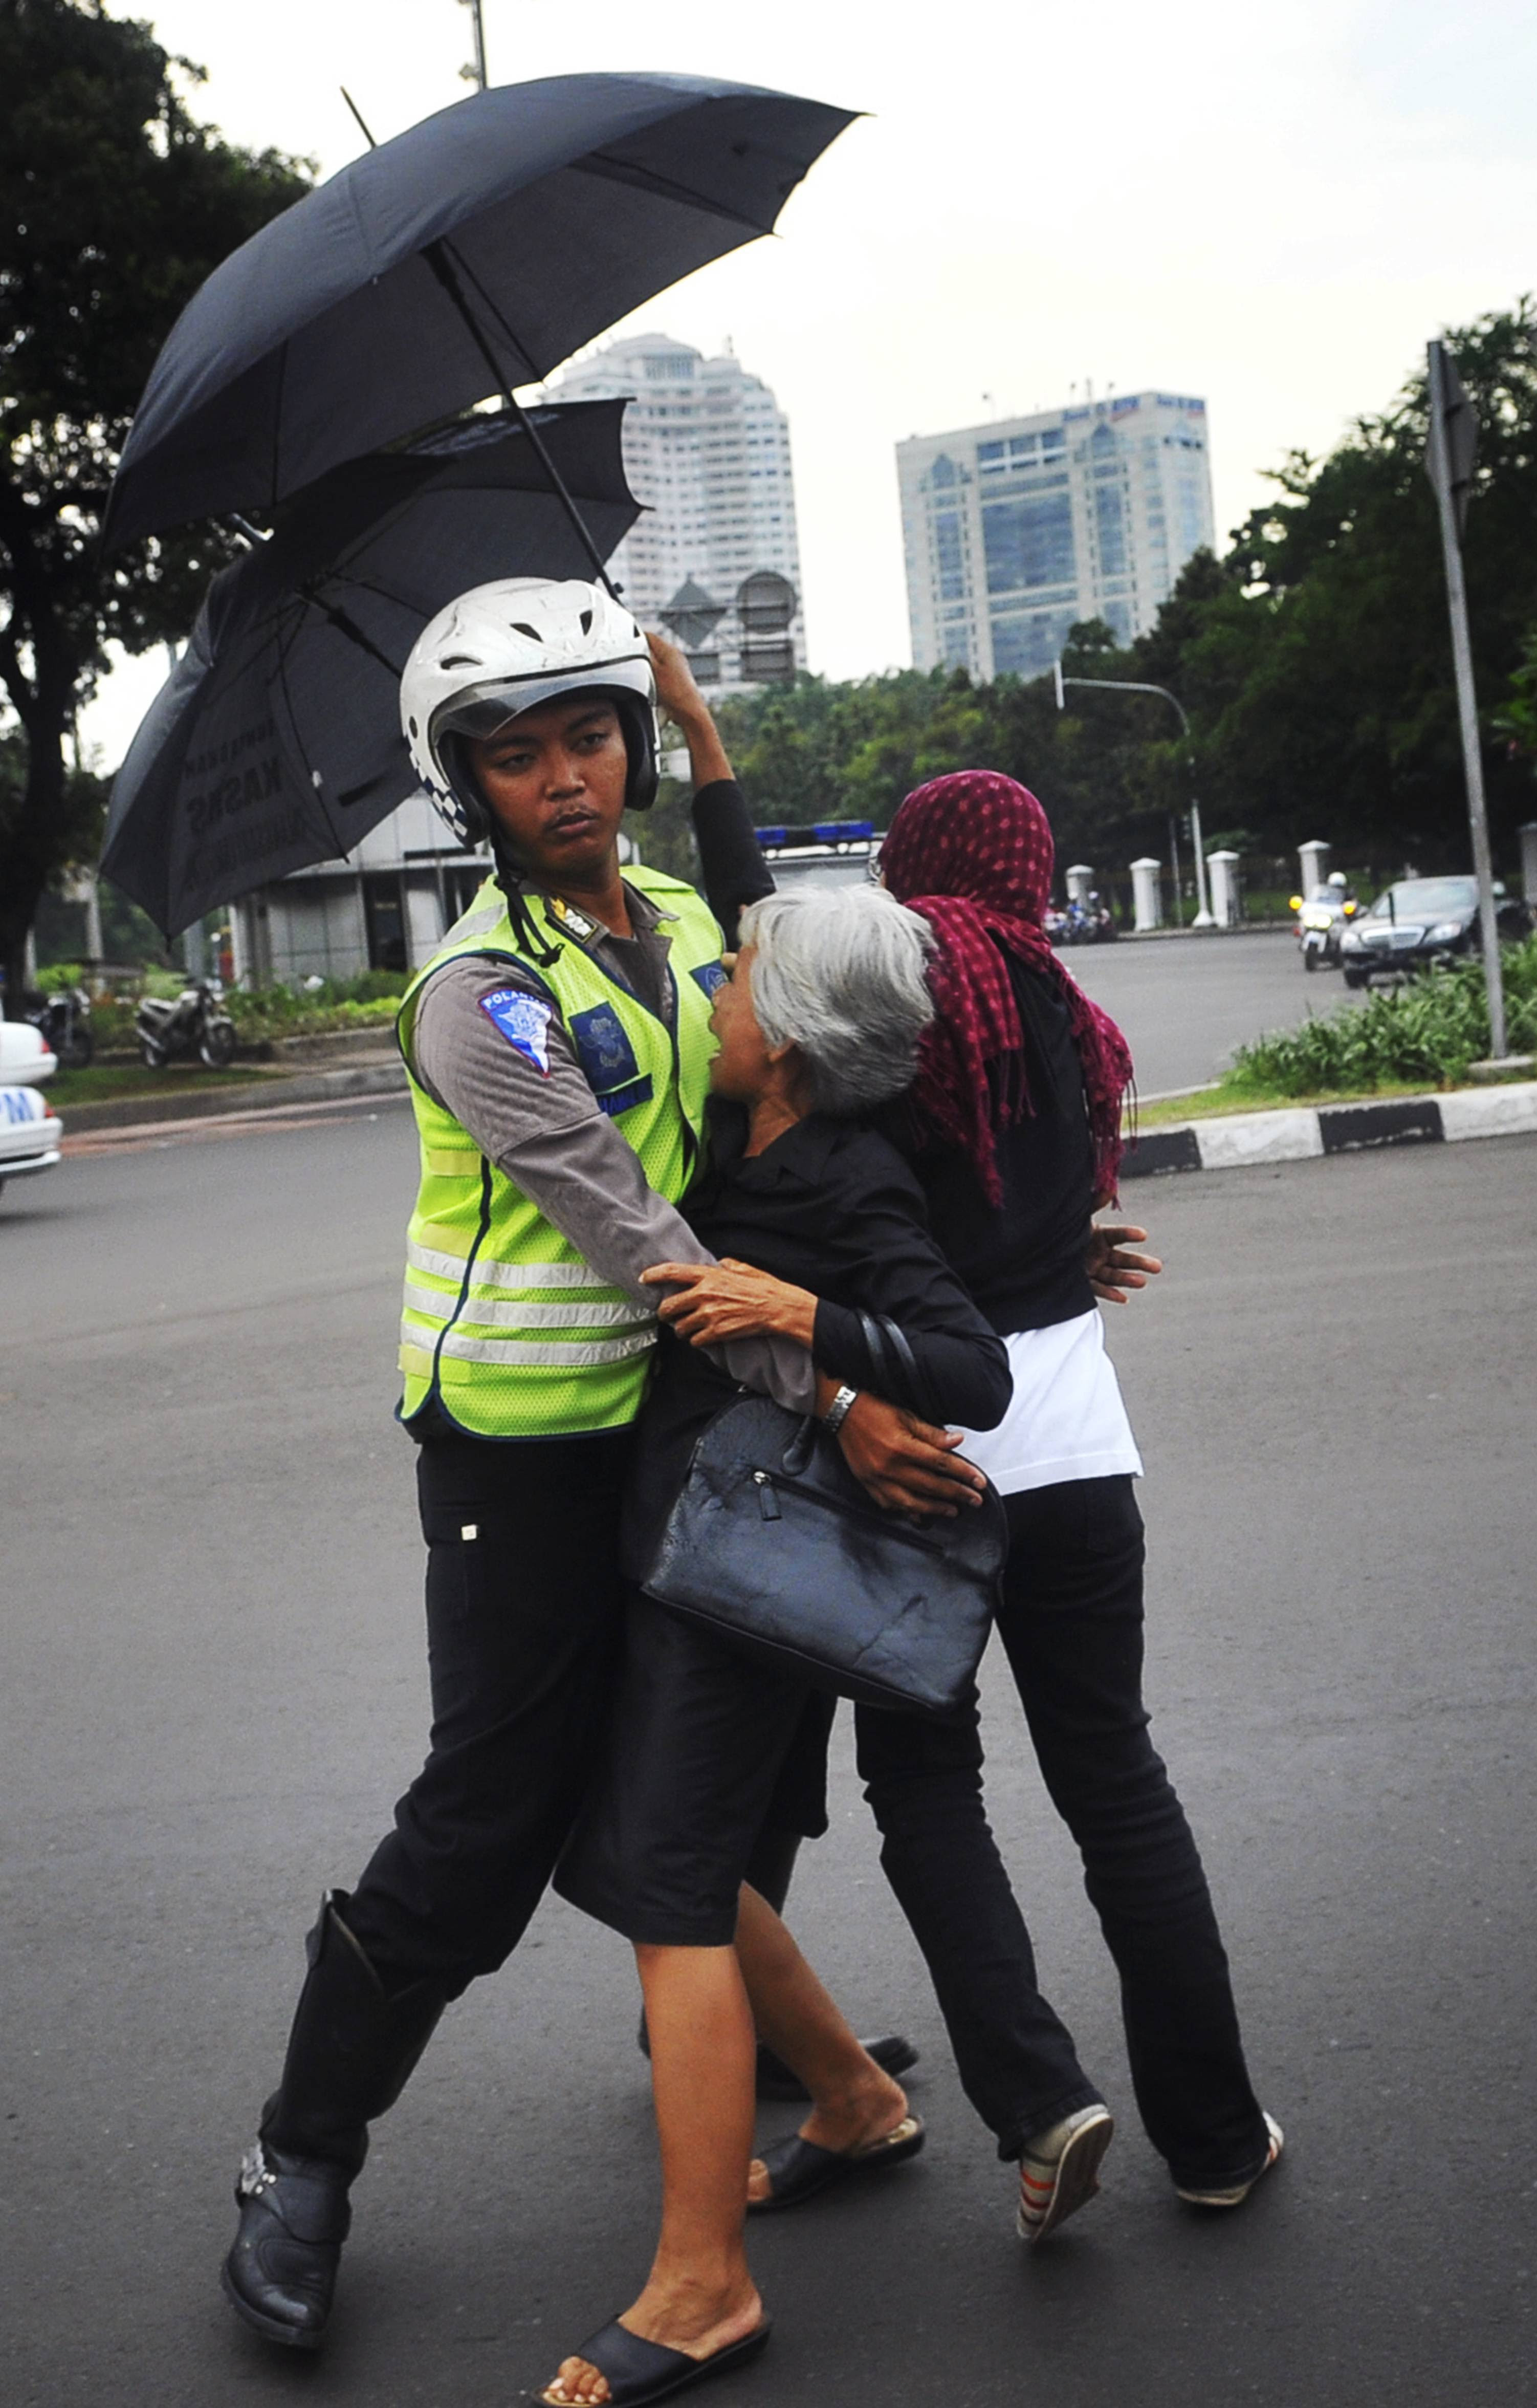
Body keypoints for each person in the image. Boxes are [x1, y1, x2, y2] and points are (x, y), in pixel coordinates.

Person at [219, 578, 931, 2355]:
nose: (564, 779)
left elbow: (803, 1017)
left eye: (588, 736)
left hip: (682, 1424)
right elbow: (640, 1238)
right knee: (486, 1823)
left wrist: (706, 737)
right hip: (522, 1447)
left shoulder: (684, 912)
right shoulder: (477, 996)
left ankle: (792, 2060)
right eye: (518, 754)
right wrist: (846, 1394)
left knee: (713, 1766)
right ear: (465, 787)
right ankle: (299, 2151)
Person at [654, 770, 1280, 2240]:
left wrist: (704, 757)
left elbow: (782, 971)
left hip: (913, 1454)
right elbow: (1028, 1217)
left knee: (927, 1791)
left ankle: (1040, 2098)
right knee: (1113, 1783)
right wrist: (1072, 1249)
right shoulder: (1057, 1014)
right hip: (1072, 1448)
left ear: (910, 865)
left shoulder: (905, 1005)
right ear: (1030, 864)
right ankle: (1211, 2139)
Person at [537, 883, 1004, 2408]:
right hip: (691, 1552)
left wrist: (807, 1315)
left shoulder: (848, 1174)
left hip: (742, 1596)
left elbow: (970, 1366)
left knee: (671, 1891)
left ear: (789, 1035)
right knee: (669, 1858)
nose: (714, 988)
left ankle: (703, 2287)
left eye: (734, 975)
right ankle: (856, 2098)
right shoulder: (759, 1127)